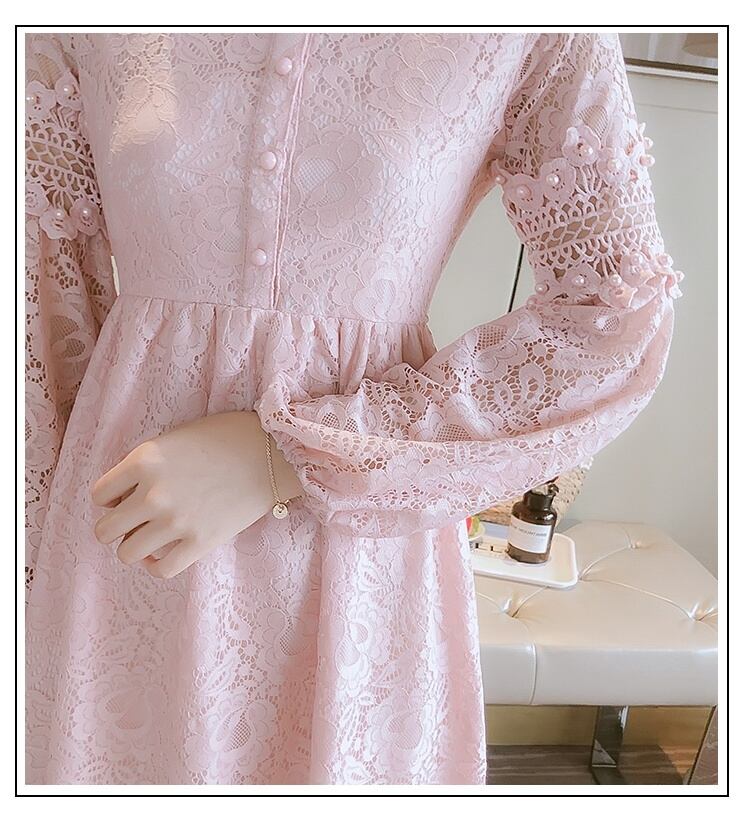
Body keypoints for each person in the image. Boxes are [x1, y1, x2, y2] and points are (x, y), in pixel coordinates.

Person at [25, 31, 683, 785]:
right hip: (124, 541)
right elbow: (40, 308)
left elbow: (614, 314)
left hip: (355, 562)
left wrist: (290, 453)